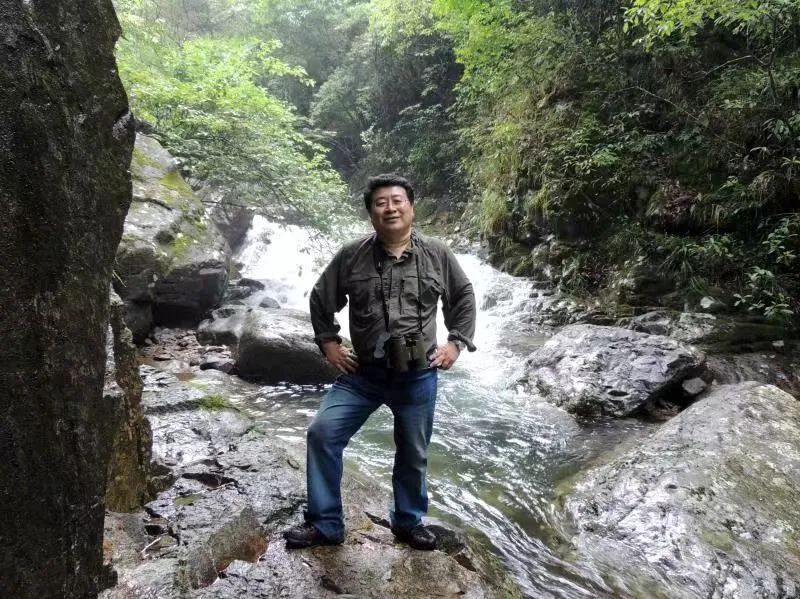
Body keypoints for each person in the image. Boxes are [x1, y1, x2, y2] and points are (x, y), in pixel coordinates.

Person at [283, 174, 476, 551]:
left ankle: (408, 521)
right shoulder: (351, 255)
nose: (390, 208)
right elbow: (321, 299)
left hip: (418, 375)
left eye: (397, 200)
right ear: (371, 213)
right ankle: (325, 523)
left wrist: (456, 343)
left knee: (413, 452)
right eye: (381, 203)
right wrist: (329, 343)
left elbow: (463, 296)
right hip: (364, 375)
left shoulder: (437, 253)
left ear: (411, 207)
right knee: (322, 432)